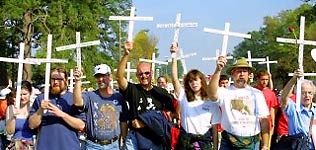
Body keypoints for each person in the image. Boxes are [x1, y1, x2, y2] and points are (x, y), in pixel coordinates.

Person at [116, 41, 176, 150]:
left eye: (147, 73)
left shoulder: (162, 93)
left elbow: (169, 116)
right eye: (141, 74)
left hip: (155, 139)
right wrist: (126, 54)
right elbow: (119, 78)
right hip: (135, 138)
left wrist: (145, 123)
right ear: (137, 75)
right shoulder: (133, 90)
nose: (144, 76)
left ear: (151, 73)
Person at [208, 56, 270, 150]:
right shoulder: (225, 92)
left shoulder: (257, 94)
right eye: (238, 71)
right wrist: (218, 70)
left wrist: (265, 145)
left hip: (251, 143)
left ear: (249, 74)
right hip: (229, 141)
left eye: (244, 71)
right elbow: (212, 94)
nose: (241, 74)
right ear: (232, 74)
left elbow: (264, 120)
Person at [170, 43, 220, 149]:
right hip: (185, 141)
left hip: (204, 142)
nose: (194, 83)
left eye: (196, 80)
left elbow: (215, 127)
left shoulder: (211, 101)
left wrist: (215, 148)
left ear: (202, 81)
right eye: (190, 81)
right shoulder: (183, 96)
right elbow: (174, 79)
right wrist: (174, 56)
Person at [73, 64, 128, 150]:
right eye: (98, 76)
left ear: (110, 76)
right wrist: (77, 81)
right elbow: (77, 103)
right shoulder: (90, 96)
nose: (100, 79)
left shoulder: (119, 97)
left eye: (103, 76)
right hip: (93, 145)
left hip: (113, 145)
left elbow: (123, 121)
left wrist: (125, 141)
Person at [28, 67, 86, 150]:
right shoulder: (41, 98)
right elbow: (32, 125)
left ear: (66, 80)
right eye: (53, 79)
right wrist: (40, 110)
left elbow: (81, 125)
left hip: (70, 147)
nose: (55, 82)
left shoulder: (74, 99)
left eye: (59, 79)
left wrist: (62, 114)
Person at [279, 69, 316, 150]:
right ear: (298, 94)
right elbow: (284, 98)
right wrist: (293, 80)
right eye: (303, 93)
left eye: (310, 93)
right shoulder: (293, 109)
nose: (307, 95)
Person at [6, 81, 35, 150]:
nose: (22, 97)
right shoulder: (11, 108)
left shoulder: (34, 108)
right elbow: (10, 131)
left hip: (32, 145)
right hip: (16, 145)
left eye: (25, 94)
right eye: (20, 94)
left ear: (30, 93)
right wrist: (13, 117)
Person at [253, 70, 278, 148]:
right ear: (258, 79)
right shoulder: (252, 91)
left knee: (266, 146)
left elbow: (273, 109)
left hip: (267, 123)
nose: (264, 82)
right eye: (262, 79)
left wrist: (273, 123)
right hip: (254, 124)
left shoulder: (271, 93)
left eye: (266, 80)